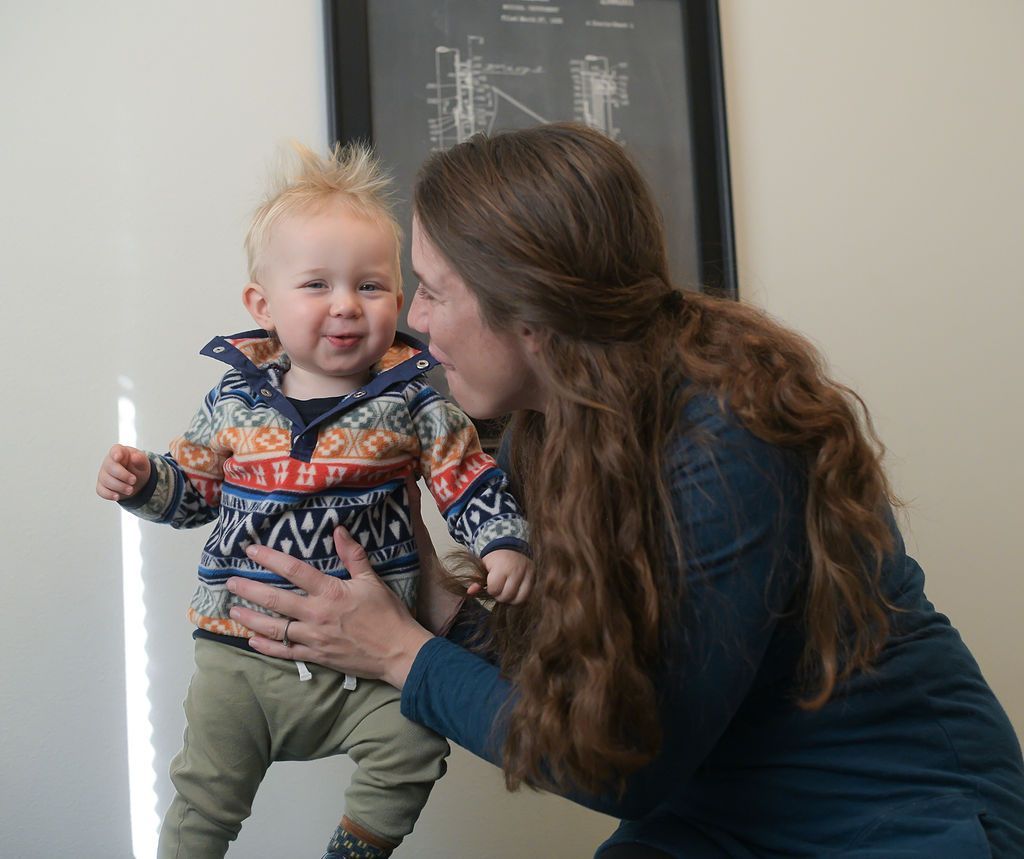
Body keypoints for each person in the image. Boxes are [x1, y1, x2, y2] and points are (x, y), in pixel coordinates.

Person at [223, 123, 1024, 857]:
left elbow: (625, 763)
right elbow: (578, 679)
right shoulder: (554, 426)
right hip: (724, 811)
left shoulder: (729, 442)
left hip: (902, 816)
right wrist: (442, 608)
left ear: (529, 310)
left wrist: (403, 652)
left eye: (433, 288)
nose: (416, 321)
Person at [95, 142, 531, 859]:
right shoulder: (235, 398)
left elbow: (466, 476)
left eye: (369, 286)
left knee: (414, 744)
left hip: (368, 656)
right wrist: (144, 482)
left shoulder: (415, 399)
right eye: (317, 285)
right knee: (206, 792)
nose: (345, 307)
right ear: (262, 306)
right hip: (242, 653)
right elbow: (194, 491)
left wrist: (501, 541)